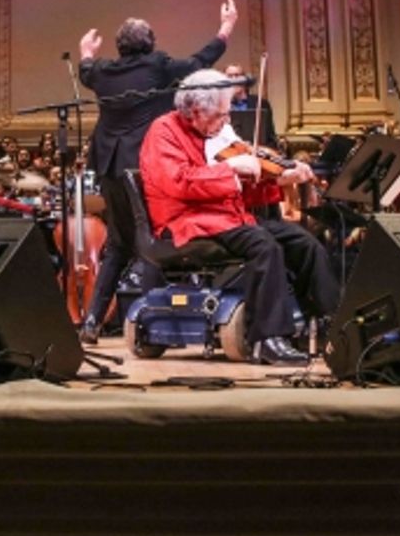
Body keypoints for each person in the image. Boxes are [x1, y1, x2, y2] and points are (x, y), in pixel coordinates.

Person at [139, 69, 339, 364]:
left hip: (223, 216)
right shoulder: (163, 131)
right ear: (196, 112)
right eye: (221, 115)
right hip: (188, 222)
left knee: (303, 242)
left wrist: (278, 178)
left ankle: (332, 325)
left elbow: (234, 190)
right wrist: (231, 169)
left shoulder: (207, 132)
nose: (227, 121)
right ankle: (266, 339)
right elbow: (179, 181)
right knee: (263, 245)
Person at [75, 0, 238, 343]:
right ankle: (155, 325)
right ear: (150, 43)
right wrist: (225, 29)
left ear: (120, 47)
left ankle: (92, 321)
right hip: (144, 168)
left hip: (109, 166)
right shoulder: (159, 65)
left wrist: (86, 51)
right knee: (153, 237)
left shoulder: (103, 71)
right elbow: (198, 63)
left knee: (120, 243)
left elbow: (86, 71)